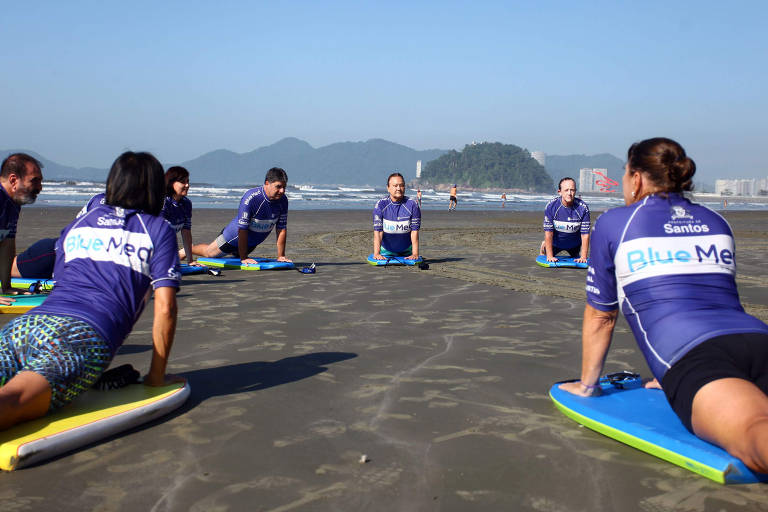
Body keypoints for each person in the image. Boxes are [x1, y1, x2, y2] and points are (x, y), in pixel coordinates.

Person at [559, 137, 768, 473]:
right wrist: (666, 377)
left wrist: (587, 386)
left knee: (756, 433)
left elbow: (602, 315)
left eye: (625, 175)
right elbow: (715, 299)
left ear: (637, 178)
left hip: (697, 358)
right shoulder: (717, 222)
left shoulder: (615, 223)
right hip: (757, 338)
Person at [0, 151, 182, 430]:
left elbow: (63, 280)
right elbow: (166, 307)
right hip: (83, 337)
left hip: (29, 324)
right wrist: (156, 377)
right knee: (11, 403)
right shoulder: (157, 229)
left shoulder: (78, 224)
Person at [191, 167, 291, 264]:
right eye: (278, 187)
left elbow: (281, 229)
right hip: (232, 238)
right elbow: (242, 229)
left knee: (236, 255)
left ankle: (240, 253)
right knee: (209, 253)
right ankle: (187, 250)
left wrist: (281, 256)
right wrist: (244, 258)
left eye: (284, 187)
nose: (282, 191)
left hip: (251, 244)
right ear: (267, 183)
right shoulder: (251, 198)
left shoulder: (283, 201)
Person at [0, 154, 44, 305]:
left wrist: (6, 286)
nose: (40, 187)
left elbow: (7, 244)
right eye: (34, 181)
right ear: (13, 180)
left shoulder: (13, 203)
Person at [540, 177, 590, 263]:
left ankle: (575, 252)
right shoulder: (551, 206)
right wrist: (550, 256)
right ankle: (543, 247)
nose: (569, 193)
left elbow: (585, 235)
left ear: (575, 191)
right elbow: (549, 232)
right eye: (566, 190)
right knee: (545, 252)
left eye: (572, 190)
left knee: (577, 257)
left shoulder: (583, 208)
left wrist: (583, 257)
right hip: (556, 244)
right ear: (559, 192)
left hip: (574, 245)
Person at [372, 172, 421, 260]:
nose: (398, 188)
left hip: (407, 250)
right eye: (395, 185)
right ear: (388, 188)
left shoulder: (413, 205)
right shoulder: (380, 205)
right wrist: (376, 253)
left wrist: (415, 253)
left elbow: (415, 231)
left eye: (401, 185)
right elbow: (378, 232)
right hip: (386, 251)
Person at [163, 166, 198, 266]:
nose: (187, 185)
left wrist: (190, 260)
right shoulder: (163, 203)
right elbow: (158, 235)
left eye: (188, 181)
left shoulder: (186, 204)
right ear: (171, 183)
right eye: (183, 182)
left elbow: (186, 233)